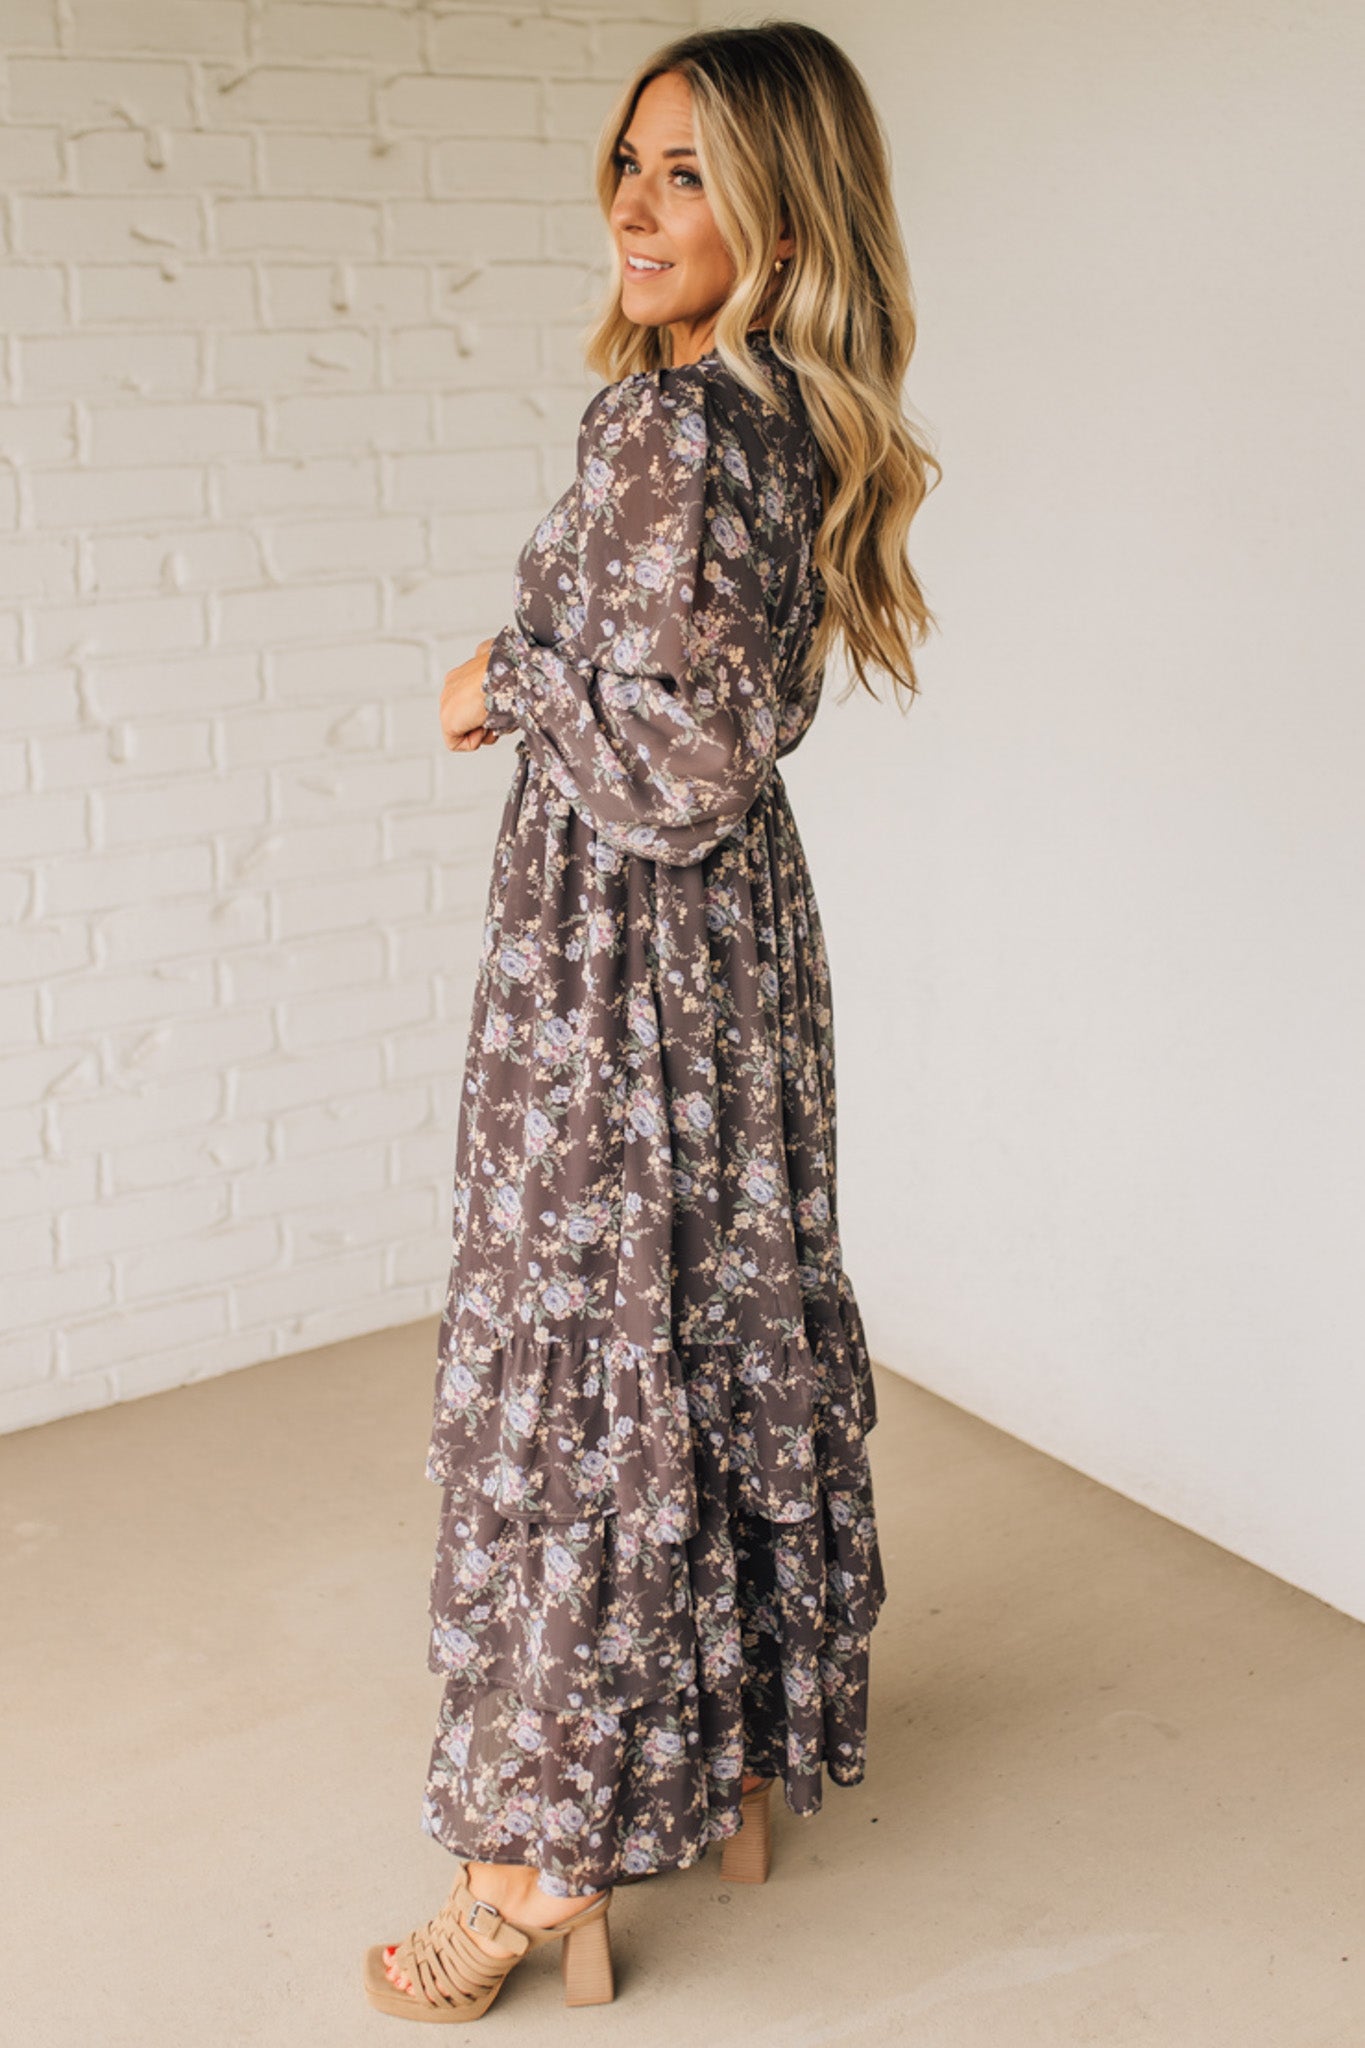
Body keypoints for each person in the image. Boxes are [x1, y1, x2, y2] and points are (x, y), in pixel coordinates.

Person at [363, 19, 939, 2023]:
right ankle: (730, 1757)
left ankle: (533, 1867)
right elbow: (730, 731)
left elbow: (669, 752)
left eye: (687, 169)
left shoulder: (669, 429)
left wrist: (493, 680)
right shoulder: (776, 416)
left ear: (781, 205)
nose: (633, 200)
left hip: (618, 959)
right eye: (627, 160)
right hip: (735, 961)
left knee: (584, 1358)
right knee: (708, 1320)